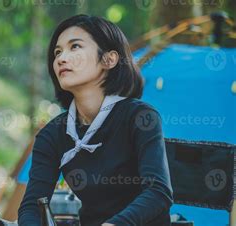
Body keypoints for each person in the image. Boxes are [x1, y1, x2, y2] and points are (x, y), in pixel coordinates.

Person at [18, 15, 173, 226]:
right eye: (57, 52)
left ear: (109, 59)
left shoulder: (140, 117)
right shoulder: (52, 135)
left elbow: (158, 192)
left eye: (75, 47)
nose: (61, 58)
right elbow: (32, 206)